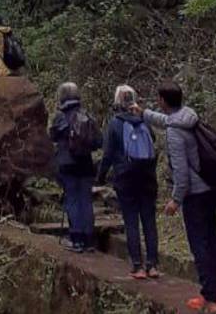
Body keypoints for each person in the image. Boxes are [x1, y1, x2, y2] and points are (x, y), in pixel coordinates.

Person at [138, 82, 216, 313]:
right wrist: (142, 113)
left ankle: (209, 298)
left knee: (199, 245)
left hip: (195, 195)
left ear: (163, 101)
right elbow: (166, 121)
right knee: (213, 241)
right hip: (211, 190)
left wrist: (175, 199)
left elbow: (181, 172)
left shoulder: (174, 132)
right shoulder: (189, 117)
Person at [97, 85, 161, 278]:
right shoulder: (143, 121)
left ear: (117, 102)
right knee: (149, 221)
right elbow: (153, 141)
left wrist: (100, 177)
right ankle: (153, 265)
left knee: (131, 221)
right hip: (148, 178)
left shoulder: (115, 123)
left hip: (126, 179)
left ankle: (137, 266)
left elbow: (107, 154)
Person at [49, 82, 100, 253]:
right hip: (85, 164)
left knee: (72, 199)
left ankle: (76, 238)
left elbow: (52, 136)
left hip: (67, 164)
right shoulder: (87, 115)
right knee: (86, 200)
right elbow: (98, 141)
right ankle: (89, 239)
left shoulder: (60, 117)